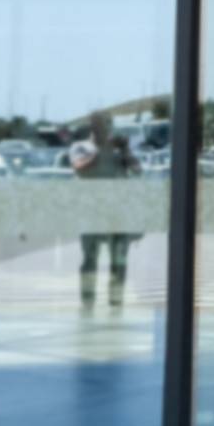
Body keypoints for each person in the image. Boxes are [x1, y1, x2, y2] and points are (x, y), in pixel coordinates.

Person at [72, 110, 139, 307]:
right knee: (89, 259)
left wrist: (125, 150)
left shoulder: (119, 151)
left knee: (119, 260)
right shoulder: (83, 148)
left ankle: (115, 299)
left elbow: (137, 170)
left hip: (117, 214)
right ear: (92, 128)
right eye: (97, 125)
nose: (101, 129)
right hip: (91, 213)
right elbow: (79, 168)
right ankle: (87, 299)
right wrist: (102, 148)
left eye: (104, 125)